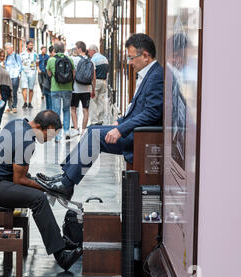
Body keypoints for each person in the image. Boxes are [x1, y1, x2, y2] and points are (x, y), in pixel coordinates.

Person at [36, 34, 164, 200]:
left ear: (145, 56)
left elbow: (152, 112)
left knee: (94, 136)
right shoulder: (148, 74)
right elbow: (138, 109)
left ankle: (66, 184)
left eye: (131, 58)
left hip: (139, 136)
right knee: (91, 130)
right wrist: (121, 121)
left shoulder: (156, 76)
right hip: (132, 129)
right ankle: (64, 177)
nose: (130, 63)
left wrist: (121, 129)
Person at [0, 110, 82, 271]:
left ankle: (59, 241)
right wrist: (49, 187)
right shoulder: (27, 140)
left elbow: (18, 172)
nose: (50, 138)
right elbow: (19, 180)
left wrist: (44, 182)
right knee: (38, 198)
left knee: (37, 192)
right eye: (49, 134)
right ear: (39, 126)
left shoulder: (17, 124)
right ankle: (61, 255)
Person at [46, 41, 75, 142]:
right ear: (63, 49)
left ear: (54, 50)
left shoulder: (51, 60)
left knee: (56, 112)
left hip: (55, 89)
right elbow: (73, 74)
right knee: (66, 110)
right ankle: (67, 131)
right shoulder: (70, 59)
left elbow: (49, 74)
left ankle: (57, 136)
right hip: (67, 89)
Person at [70, 41, 96, 138]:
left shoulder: (74, 59)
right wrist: (93, 89)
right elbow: (93, 77)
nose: (75, 50)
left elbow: (73, 74)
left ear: (80, 49)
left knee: (73, 109)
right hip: (86, 89)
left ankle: (76, 129)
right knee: (86, 110)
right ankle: (84, 130)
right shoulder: (91, 61)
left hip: (75, 89)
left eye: (76, 48)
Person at [87, 44, 109, 126]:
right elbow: (107, 72)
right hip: (104, 82)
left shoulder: (93, 59)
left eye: (89, 51)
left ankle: (94, 121)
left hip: (96, 82)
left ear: (93, 51)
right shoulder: (105, 59)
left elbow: (93, 74)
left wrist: (92, 87)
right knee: (101, 101)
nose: (89, 53)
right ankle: (101, 119)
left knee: (93, 101)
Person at [4, 43, 22, 113]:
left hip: (14, 76)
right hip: (8, 77)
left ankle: (14, 106)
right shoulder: (6, 57)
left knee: (14, 92)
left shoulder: (16, 56)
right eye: (6, 48)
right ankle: (9, 107)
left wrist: (17, 74)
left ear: (12, 48)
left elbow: (20, 66)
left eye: (8, 48)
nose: (7, 50)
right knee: (8, 92)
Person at [20, 40, 38, 109]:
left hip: (32, 72)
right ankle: (25, 102)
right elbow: (20, 63)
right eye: (30, 45)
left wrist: (37, 69)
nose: (31, 47)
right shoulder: (22, 54)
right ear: (27, 45)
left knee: (31, 88)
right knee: (24, 87)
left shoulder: (35, 54)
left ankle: (30, 102)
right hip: (24, 72)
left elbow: (37, 63)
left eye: (32, 45)